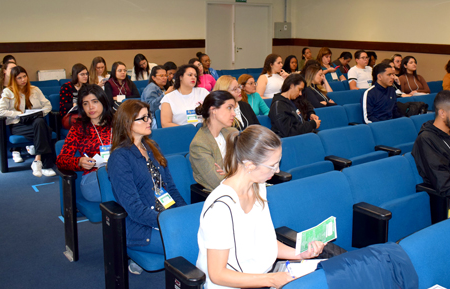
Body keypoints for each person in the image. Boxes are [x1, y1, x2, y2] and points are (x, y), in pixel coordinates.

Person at [196, 125, 325, 289]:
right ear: (249, 165)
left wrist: (300, 253)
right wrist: (271, 280)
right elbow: (218, 275)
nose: (277, 170)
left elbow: (265, 243)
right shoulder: (221, 208)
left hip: (261, 277)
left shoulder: (258, 187)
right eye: (273, 165)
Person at [107, 99, 187, 274]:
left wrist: (184, 214)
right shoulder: (120, 157)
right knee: (192, 243)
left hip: (166, 215)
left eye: (149, 117)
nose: (149, 121)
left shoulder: (152, 147)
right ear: (127, 122)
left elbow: (171, 189)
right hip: (141, 226)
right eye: (143, 118)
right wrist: (168, 221)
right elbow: (134, 209)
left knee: (201, 232)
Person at [56, 84, 114, 202]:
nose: (90, 107)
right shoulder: (79, 127)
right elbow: (61, 160)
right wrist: (79, 161)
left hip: (118, 174)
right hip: (93, 180)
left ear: (103, 102)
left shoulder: (117, 123)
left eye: (94, 101)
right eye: (85, 103)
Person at [0, 66, 56, 177]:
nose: (23, 80)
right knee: (45, 130)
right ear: (14, 79)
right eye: (19, 78)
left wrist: (38, 113)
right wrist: (18, 114)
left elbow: (48, 105)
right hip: (18, 125)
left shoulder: (35, 90)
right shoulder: (8, 92)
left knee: (39, 122)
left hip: (35, 122)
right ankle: (46, 165)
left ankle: (38, 160)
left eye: (24, 76)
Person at [189, 91, 239, 191]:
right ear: (214, 110)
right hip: (220, 198)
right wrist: (236, 173)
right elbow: (219, 183)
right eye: (229, 108)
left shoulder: (233, 133)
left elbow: (250, 164)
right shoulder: (199, 145)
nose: (234, 113)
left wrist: (228, 175)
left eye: (234, 109)